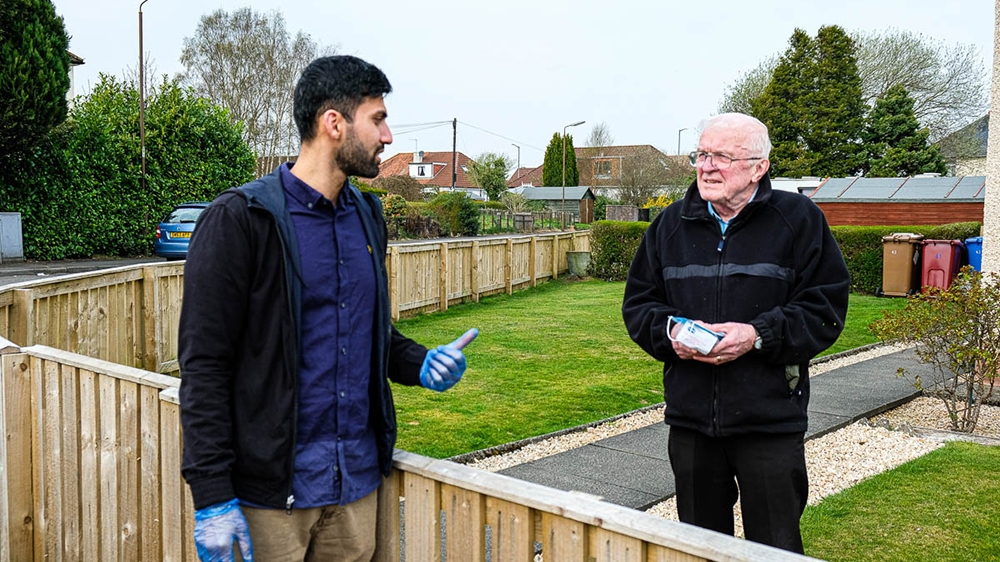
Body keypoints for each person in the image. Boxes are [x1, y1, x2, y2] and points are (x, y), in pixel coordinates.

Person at [178, 55, 478, 562]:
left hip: (356, 490)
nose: (387, 136)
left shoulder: (367, 216)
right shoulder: (239, 220)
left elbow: (362, 333)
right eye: (377, 119)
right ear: (333, 123)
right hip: (268, 504)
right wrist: (210, 494)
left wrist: (416, 362)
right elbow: (205, 366)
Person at [621, 113, 849, 553]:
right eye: (701, 155)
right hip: (690, 424)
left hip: (769, 422)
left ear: (757, 167)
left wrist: (757, 334)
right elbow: (639, 306)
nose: (706, 166)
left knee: (774, 547)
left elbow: (824, 310)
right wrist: (672, 334)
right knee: (701, 547)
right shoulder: (669, 226)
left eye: (721, 156)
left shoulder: (798, 219)